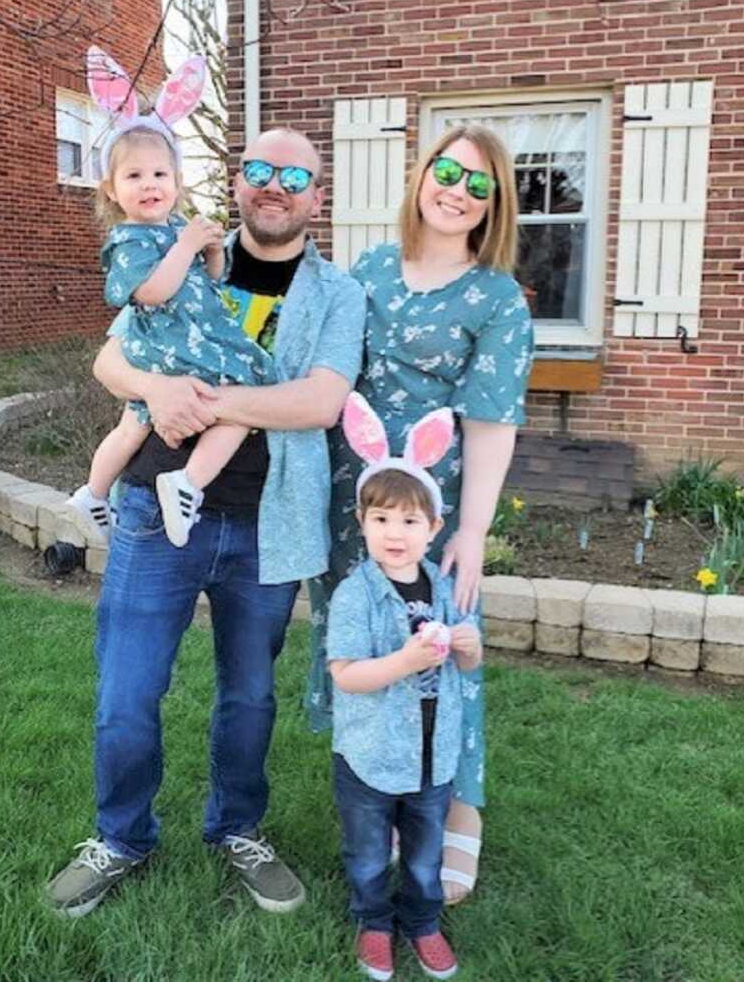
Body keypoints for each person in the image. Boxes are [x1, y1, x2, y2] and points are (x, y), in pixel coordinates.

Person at [45, 126, 366, 918]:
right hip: (156, 509)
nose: (275, 184)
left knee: (250, 696)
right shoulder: (183, 248)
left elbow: (319, 401)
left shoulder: (337, 293)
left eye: (295, 174)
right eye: (259, 168)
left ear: (315, 196)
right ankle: (120, 835)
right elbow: (109, 359)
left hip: (268, 520)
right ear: (237, 181)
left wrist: (202, 402)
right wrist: (155, 390)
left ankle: (237, 829)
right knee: (126, 692)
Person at [309, 123, 533, 906]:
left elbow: (493, 419)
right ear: (422, 174)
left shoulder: (497, 298)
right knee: (366, 640)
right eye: (448, 172)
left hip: (431, 512)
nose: (457, 191)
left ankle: (454, 798)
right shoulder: (368, 268)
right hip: (355, 497)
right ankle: (380, 788)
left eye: (479, 185)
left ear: (493, 205)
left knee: (440, 642)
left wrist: (470, 531)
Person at [66, 48, 271, 550]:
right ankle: (187, 484)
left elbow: (212, 282)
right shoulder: (131, 240)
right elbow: (152, 293)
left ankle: (92, 493)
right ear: (111, 190)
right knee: (252, 386)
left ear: (178, 183)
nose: (150, 185)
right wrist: (183, 247)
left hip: (175, 345)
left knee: (133, 424)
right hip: (170, 347)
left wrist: (210, 250)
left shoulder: (177, 229)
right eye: (134, 177)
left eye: (160, 175)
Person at [328, 394, 481, 981]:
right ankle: (373, 921)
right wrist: (406, 658)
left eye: (410, 520)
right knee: (368, 852)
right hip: (369, 755)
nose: (396, 533)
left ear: (434, 527)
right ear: (362, 522)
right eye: (382, 519)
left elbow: (464, 667)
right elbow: (347, 674)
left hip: (431, 757)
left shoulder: (440, 590)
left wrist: (468, 648)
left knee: (423, 853)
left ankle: (421, 921)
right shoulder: (355, 596)